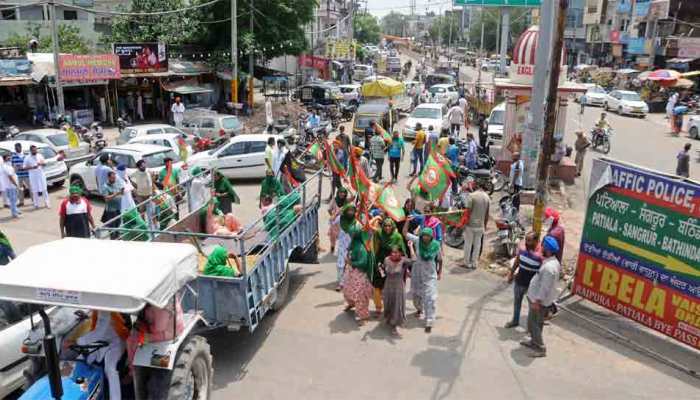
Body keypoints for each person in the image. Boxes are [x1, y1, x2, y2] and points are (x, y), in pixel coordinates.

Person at [520, 236, 561, 357]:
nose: (541, 248)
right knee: (537, 323)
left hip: (540, 302)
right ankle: (534, 342)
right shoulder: (552, 262)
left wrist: (537, 301)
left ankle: (541, 348)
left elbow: (545, 287)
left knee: (534, 324)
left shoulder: (549, 268)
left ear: (547, 249)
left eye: (543, 246)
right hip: (539, 299)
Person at [74, 311, 128, 399]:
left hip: (116, 341)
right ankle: (82, 389)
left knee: (110, 368)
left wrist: (76, 342)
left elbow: (98, 333)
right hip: (102, 342)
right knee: (81, 360)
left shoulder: (104, 311)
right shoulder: (96, 308)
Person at [403, 224, 442, 333]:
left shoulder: (436, 245)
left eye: (427, 236)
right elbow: (405, 233)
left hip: (430, 275)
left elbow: (439, 259)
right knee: (416, 296)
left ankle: (429, 320)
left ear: (431, 236)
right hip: (417, 273)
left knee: (430, 298)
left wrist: (440, 272)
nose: (425, 237)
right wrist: (407, 221)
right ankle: (419, 309)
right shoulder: (417, 241)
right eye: (423, 235)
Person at [341, 205, 374, 325]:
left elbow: (363, 263)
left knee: (360, 295)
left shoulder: (362, 247)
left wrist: (351, 262)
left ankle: (363, 316)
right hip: (351, 272)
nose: (350, 235)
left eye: (352, 234)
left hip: (360, 274)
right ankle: (351, 304)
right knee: (347, 290)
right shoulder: (353, 243)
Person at [505, 231, 543, 328]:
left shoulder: (540, 257)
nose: (527, 242)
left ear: (537, 241)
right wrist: (511, 274)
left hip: (532, 286)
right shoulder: (522, 251)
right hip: (519, 282)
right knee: (517, 303)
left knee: (532, 308)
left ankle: (531, 328)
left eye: (529, 241)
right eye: (526, 240)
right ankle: (515, 321)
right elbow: (517, 262)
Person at [374, 218, 406, 317]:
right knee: (377, 285)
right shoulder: (379, 234)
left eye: (389, 225)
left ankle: (391, 310)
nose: (387, 228)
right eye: (385, 225)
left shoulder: (397, 237)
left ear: (393, 226)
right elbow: (375, 247)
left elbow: (402, 252)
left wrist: (404, 267)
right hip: (380, 262)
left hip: (393, 263)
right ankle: (378, 307)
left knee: (391, 288)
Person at [381, 246, 409, 337]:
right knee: (388, 303)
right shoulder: (386, 260)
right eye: (392, 252)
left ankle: (394, 325)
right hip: (388, 285)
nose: (393, 254)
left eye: (396, 252)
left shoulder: (403, 261)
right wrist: (380, 269)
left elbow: (414, 260)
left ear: (400, 253)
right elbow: (383, 272)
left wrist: (410, 247)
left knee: (397, 305)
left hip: (398, 287)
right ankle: (389, 319)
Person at [462, 181, 490, 269]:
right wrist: (484, 225)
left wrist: (464, 222)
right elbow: (487, 214)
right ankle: (474, 263)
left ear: (477, 187)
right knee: (477, 245)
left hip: (471, 224)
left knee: (468, 244)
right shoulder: (487, 198)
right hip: (480, 225)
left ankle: (466, 263)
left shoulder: (472, 196)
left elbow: (468, 211)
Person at [0, 154, 20, 218]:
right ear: (4, 159)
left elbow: (13, 173)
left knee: (13, 200)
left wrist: (15, 169)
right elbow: (10, 177)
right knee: (13, 200)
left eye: (10, 158)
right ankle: (14, 213)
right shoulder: (6, 167)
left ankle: (16, 210)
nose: (10, 159)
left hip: (8, 186)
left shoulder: (7, 166)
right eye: (8, 158)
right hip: (11, 186)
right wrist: (16, 185)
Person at [10, 143, 28, 207]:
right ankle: (21, 202)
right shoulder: (13, 156)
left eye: (17, 147)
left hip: (26, 174)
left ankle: (34, 200)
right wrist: (15, 168)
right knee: (20, 189)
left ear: (21, 147)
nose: (16, 149)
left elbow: (28, 164)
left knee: (30, 187)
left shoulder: (25, 155)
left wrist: (23, 167)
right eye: (15, 148)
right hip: (18, 175)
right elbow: (12, 165)